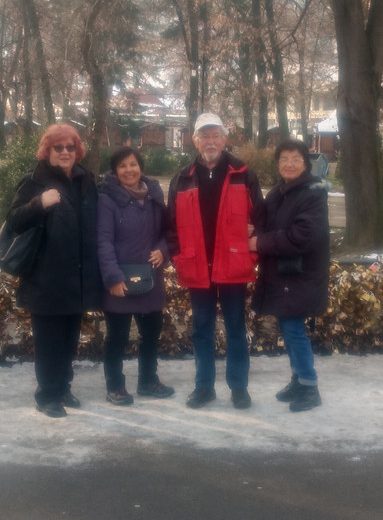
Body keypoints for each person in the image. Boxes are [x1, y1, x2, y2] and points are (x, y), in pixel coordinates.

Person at [166, 113, 262, 409]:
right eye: (204, 135)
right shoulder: (182, 178)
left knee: (235, 328)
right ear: (194, 140)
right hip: (198, 266)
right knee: (202, 330)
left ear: (225, 139)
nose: (210, 141)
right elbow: (170, 226)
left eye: (215, 135)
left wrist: (251, 253)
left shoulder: (244, 174)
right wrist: (179, 257)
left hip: (233, 267)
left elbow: (261, 221)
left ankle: (239, 388)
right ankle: (204, 387)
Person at [5, 123, 102, 418]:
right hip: (45, 278)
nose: (64, 152)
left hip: (77, 276)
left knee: (70, 336)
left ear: (77, 151)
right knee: (49, 340)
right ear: (47, 151)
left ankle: (62, 387)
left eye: (70, 147)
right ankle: (46, 394)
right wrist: (38, 204)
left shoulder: (86, 180)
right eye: (57, 147)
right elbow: (13, 221)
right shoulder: (34, 181)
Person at [249, 139, 329, 412]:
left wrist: (259, 243)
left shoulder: (312, 194)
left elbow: (302, 236)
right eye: (284, 159)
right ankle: (298, 378)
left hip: (300, 275)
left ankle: (309, 385)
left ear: (306, 163)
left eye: (295, 158)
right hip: (285, 274)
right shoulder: (279, 193)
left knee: (294, 330)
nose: (289, 164)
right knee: (288, 327)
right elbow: (264, 222)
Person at [97, 146, 176, 406]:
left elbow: (167, 231)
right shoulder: (107, 199)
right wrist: (113, 278)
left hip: (150, 277)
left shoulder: (153, 195)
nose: (129, 170)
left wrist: (163, 251)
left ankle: (148, 381)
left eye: (133, 164)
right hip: (120, 279)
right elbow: (103, 241)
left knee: (151, 334)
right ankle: (115, 386)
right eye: (122, 166)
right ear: (115, 171)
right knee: (117, 338)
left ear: (140, 166)